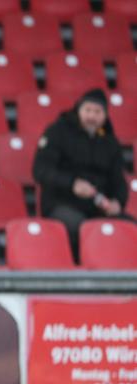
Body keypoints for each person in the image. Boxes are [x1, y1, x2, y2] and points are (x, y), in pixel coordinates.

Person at [32, 88, 133, 259]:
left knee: (129, 226)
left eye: (97, 112)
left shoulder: (110, 142)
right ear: (78, 109)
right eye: (88, 110)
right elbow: (41, 170)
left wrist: (117, 202)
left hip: (96, 207)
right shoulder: (58, 131)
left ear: (105, 115)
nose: (92, 116)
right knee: (78, 227)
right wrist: (72, 184)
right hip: (61, 203)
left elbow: (119, 180)